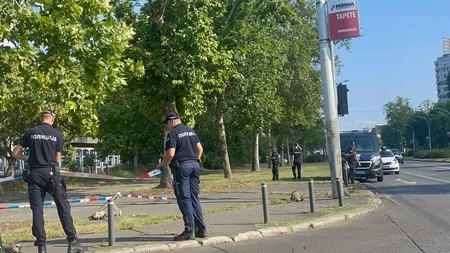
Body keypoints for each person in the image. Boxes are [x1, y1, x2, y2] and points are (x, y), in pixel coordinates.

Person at [12, 110, 87, 253]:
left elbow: (15, 153)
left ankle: (41, 247)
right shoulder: (57, 134)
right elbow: (57, 159)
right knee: (63, 207)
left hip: (35, 174)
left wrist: (30, 159)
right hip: (52, 174)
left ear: (41, 119)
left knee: (37, 210)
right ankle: (73, 242)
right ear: (52, 120)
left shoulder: (31, 132)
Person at [156, 111, 207, 241]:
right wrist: (195, 160)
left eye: (167, 123)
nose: (167, 126)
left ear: (172, 121)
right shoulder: (191, 131)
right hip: (195, 166)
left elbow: (171, 154)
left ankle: (189, 230)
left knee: (185, 198)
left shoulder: (172, 134)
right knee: (194, 197)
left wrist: (161, 164)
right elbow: (200, 149)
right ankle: (201, 229)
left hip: (182, 168)